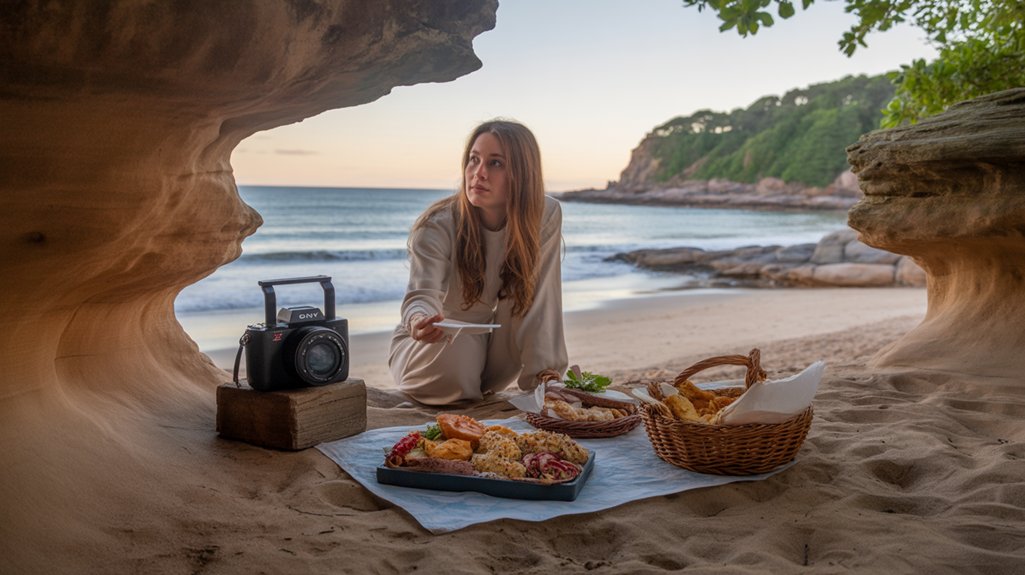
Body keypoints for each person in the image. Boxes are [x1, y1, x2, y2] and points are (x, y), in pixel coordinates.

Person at [388, 119, 568, 405]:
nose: (478, 173)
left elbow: (540, 302)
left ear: (523, 173)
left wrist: (544, 376)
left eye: (495, 163)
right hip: (434, 344)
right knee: (459, 346)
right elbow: (421, 293)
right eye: (474, 160)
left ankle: (545, 380)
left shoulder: (544, 213)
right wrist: (419, 320)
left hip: (493, 348)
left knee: (521, 298)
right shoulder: (438, 224)